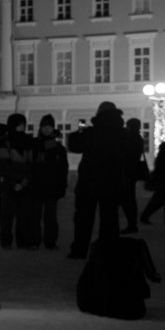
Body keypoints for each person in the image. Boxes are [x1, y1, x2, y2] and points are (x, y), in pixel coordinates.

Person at [66, 101, 128, 259]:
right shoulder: (123, 133)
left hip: (89, 180)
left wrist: (80, 130)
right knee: (110, 219)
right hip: (113, 181)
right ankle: (108, 251)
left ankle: (79, 250)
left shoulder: (91, 132)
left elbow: (74, 145)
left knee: (83, 218)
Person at [28, 115, 68, 250]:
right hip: (36, 186)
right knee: (35, 216)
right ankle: (35, 240)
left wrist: (62, 187)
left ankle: (50, 241)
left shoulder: (58, 148)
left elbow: (63, 170)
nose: (46, 129)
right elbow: (31, 166)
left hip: (52, 187)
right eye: (44, 126)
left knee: (50, 217)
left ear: (53, 128)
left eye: (49, 126)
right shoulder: (35, 145)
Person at [0, 115, 32, 249]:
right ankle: (6, 240)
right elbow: (2, 165)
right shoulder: (4, 143)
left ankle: (22, 241)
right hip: (10, 184)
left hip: (24, 184)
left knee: (23, 216)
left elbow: (31, 164)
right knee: (7, 215)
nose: (22, 127)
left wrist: (24, 181)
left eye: (23, 124)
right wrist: (14, 182)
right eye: (19, 124)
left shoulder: (28, 141)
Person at [139, 137, 165, 225]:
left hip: (163, 179)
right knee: (160, 200)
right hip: (164, 180)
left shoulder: (164, 152)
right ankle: (145, 215)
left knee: (164, 199)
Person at [120, 118, 146, 234]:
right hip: (133, 171)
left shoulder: (129, 138)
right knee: (129, 199)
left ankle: (131, 224)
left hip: (126, 171)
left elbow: (125, 153)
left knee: (126, 199)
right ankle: (132, 223)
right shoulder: (138, 138)